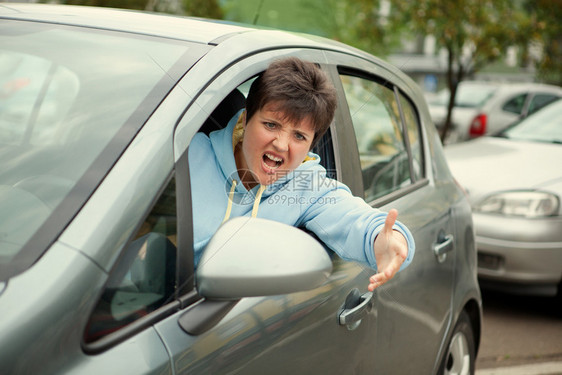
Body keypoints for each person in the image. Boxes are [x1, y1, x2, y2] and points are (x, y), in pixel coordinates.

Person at [189, 57, 415, 291]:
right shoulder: (190, 153)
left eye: (299, 136)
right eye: (271, 125)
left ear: (310, 145)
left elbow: (354, 218)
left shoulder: (308, 185)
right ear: (246, 119)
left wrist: (388, 240)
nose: (281, 144)